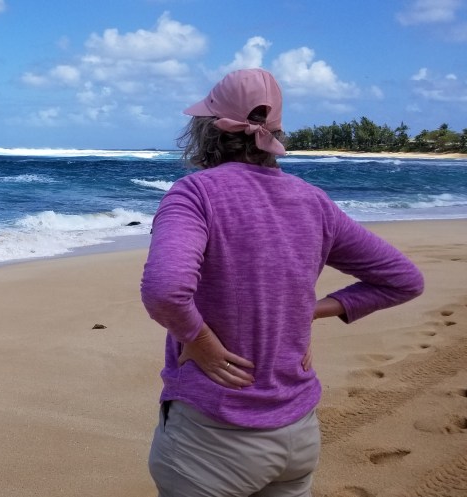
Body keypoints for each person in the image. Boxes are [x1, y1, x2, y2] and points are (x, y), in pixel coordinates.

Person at [139, 68, 424, 497]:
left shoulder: (195, 193)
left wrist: (199, 340)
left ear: (206, 129)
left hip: (214, 437)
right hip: (298, 433)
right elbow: (403, 279)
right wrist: (311, 310)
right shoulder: (313, 201)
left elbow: (164, 290)